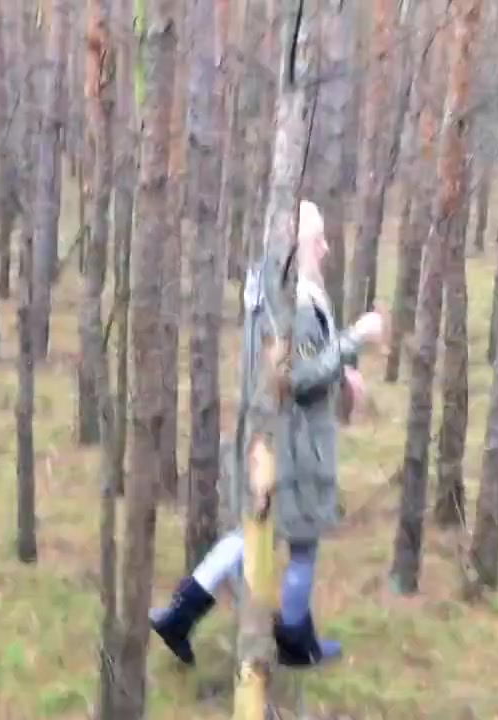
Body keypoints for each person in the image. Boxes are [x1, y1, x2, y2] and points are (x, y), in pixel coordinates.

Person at [148, 200, 386, 668]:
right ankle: (283, 637)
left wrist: (342, 372)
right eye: (318, 240)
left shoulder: (273, 291)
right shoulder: (294, 301)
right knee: (289, 539)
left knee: (265, 533)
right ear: (298, 244)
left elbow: (297, 360)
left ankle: (189, 613)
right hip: (293, 442)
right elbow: (297, 378)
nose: (326, 248)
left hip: (275, 435)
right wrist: (355, 338)